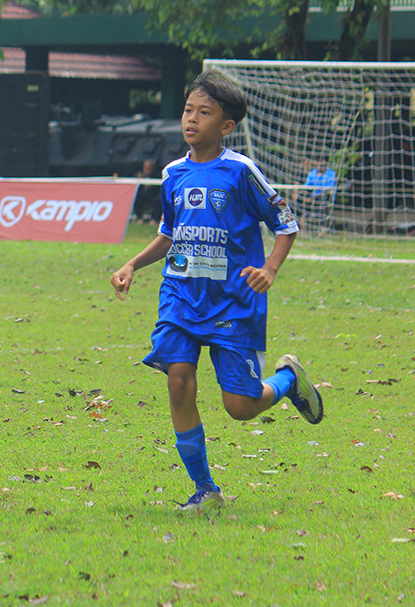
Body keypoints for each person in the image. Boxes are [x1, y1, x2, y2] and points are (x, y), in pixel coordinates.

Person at [110, 70, 324, 513]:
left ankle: (289, 379)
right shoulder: (172, 173)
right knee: (178, 381)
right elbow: (171, 232)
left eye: (204, 113)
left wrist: (269, 268)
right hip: (181, 295)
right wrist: (133, 264)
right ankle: (206, 490)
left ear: (226, 126)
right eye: (189, 110)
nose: (192, 119)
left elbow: (286, 225)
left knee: (241, 406)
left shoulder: (241, 172)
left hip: (233, 300)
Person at [132, 157, 162, 224]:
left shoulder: (157, 175)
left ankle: (154, 219)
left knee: (159, 200)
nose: (148, 171)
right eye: (147, 168)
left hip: (153, 195)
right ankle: (139, 217)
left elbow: (160, 187)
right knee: (137, 198)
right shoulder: (138, 174)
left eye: (150, 169)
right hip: (142, 195)